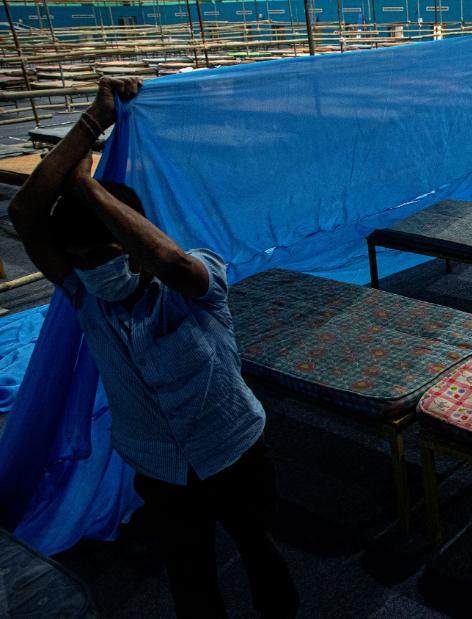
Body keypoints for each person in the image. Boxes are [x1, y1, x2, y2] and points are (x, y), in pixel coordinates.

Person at [8, 77, 299, 619]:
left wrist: (85, 186)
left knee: (260, 553)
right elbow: (24, 216)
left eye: (107, 252)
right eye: (84, 259)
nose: (97, 269)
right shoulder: (88, 300)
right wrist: (93, 123)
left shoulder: (195, 280)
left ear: (136, 242)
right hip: (159, 466)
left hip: (233, 448)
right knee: (190, 578)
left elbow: (167, 262)